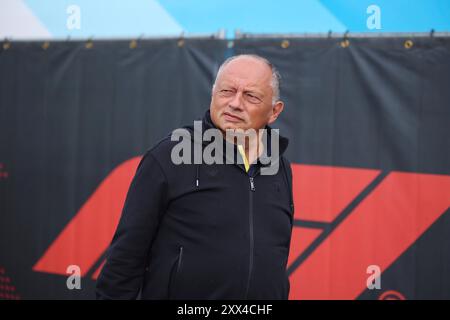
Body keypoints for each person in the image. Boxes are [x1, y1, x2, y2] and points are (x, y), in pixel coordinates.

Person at [96, 54, 294, 299]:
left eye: (250, 96)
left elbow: (275, 258)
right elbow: (124, 259)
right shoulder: (169, 156)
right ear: (213, 94)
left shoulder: (280, 167)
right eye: (227, 91)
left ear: (274, 111)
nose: (235, 103)